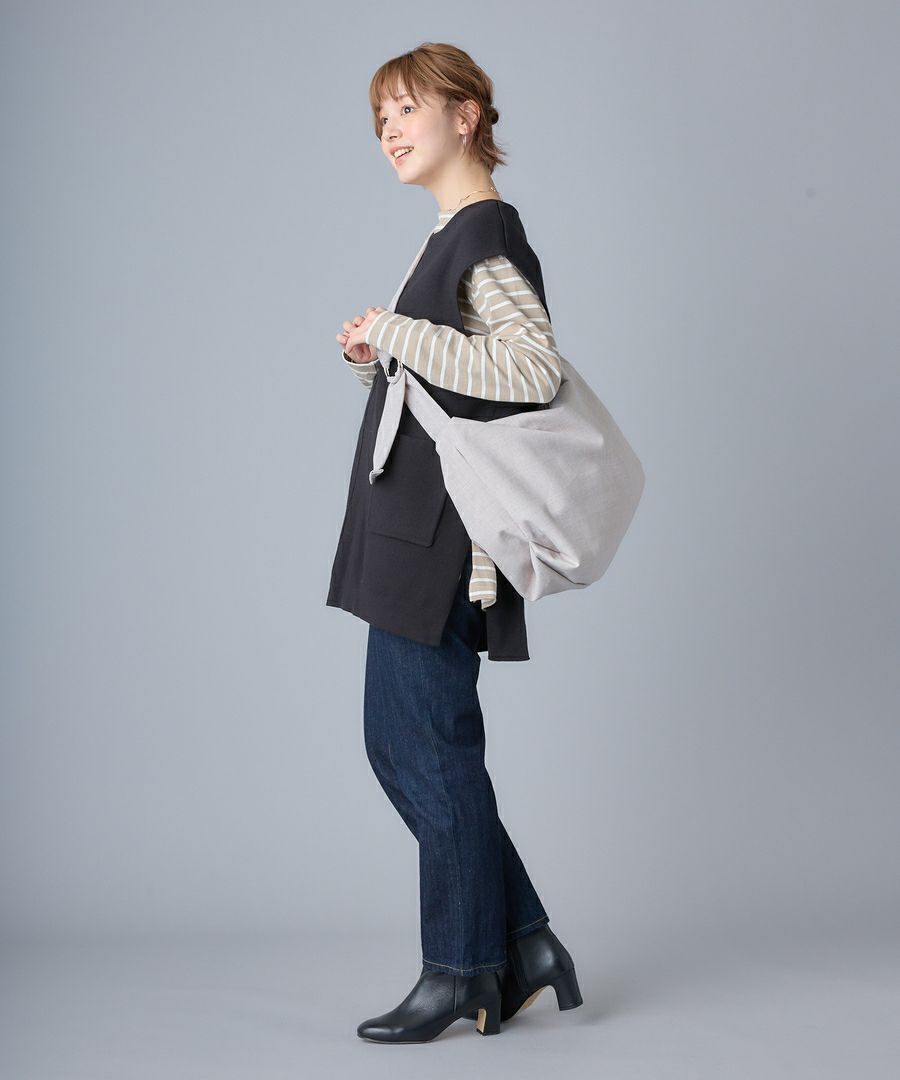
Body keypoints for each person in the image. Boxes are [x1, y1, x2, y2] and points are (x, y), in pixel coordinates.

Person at [329, 42, 583, 1043]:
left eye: (406, 108)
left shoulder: (484, 234)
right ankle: (518, 941)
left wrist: (399, 333)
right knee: (411, 745)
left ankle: (463, 968)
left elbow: (533, 370)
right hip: (412, 529)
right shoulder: (447, 235)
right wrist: (377, 356)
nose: (389, 130)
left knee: (422, 746)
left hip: (439, 541)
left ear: (466, 115)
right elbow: (451, 386)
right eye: (379, 118)